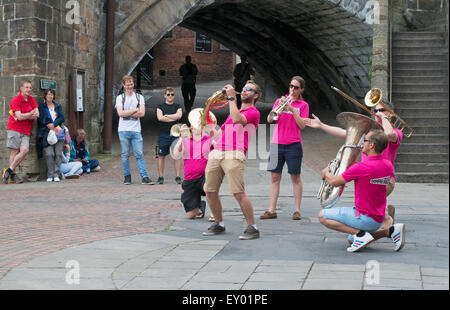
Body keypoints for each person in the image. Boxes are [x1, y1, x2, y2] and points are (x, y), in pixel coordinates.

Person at [305, 100, 403, 240]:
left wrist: (385, 117)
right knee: (357, 229)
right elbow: (344, 133)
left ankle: (385, 221)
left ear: (390, 115)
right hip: (366, 176)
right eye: (375, 111)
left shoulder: (396, 133)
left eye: (381, 110)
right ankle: (382, 225)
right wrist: (321, 125)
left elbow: (388, 134)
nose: (376, 113)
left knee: (368, 210)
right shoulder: (368, 135)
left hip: (383, 180)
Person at [318, 130, 405, 252]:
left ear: (372, 145)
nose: (362, 143)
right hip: (378, 218)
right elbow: (369, 179)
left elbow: (333, 181)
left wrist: (326, 172)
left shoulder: (360, 168)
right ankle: (390, 232)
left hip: (364, 218)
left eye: (365, 140)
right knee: (350, 240)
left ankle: (361, 235)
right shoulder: (388, 165)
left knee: (322, 216)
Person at [202, 80, 261, 240]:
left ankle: (252, 227)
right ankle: (219, 223)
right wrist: (210, 130)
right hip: (218, 151)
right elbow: (222, 133)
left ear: (256, 95)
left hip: (235, 153)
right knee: (209, 190)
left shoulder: (253, 112)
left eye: (249, 89)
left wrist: (231, 98)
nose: (244, 91)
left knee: (238, 192)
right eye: (243, 89)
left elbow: (237, 119)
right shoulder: (233, 110)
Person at [260, 76, 309, 221]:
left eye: (296, 87)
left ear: (301, 90)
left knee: (295, 177)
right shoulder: (279, 101)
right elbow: (270, 120)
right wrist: (278, 108)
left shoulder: (303, 105)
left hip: (293, 144)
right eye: (291, 86)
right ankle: (272, 210)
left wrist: (293, 110)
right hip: (277, 143)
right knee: (275, 177)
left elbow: (302, 125)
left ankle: (297, 210)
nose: (292, 90)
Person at [115, 75, 154, 185]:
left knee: (139, 154)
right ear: (124, 85)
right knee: (125, 154)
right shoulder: (120, 98)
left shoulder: (139, 97)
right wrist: (134, 110)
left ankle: (144, 176)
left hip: (136, 130)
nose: (130, 86)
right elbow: (120, 113)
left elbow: (142, 113)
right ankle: (127, 177)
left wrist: (128, 112)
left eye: (131, 84)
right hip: (123, 130)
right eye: (128, 84)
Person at [172, 123, 216, 219]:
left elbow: (219, 151)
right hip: (190, 178)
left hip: (204, 174)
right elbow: (176, 155)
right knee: (191, 215)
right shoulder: (186, 140)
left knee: (208, 188)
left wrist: (214, 143)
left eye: (199, 126)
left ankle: (214, 213)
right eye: (194, 126)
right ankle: (200, 208)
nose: (196, 129)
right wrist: (181, 138)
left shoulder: (208, 139)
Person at [3, 80, 39, 184]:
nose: (29, 90)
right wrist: (30, 113)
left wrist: (27, 114)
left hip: (26, 130)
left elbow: (37, 114)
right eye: (27, 87)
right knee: (14, 151)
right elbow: (18, 117)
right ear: (21, 88)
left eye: (30, 88)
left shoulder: (31, 99)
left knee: (25, 150)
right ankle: (13, 176)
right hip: (15, 128)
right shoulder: (16, 100)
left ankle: (8, 171)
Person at [36, 89, 65, 182]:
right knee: (49, 154)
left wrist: (54, 124)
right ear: (45, 96)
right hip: (46, 133)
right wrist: (49, 125)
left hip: (58, 131)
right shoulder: (42, 106)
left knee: (58, 154)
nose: (50, 96)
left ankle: (56, 174)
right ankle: (50, 174)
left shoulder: (58, 106)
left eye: (52, 94)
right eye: (48, 94)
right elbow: (40, 119)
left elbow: (62, 117)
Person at [156, 87, 183, 184]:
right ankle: (160, 176)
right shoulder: (160, 106)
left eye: (172, 94)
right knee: (161, 155)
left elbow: (179, 116)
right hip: (164, 134)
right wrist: (173, 117)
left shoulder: (178, 106)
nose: (170, 96)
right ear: (164, 95)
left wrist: (166, 116)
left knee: (177, 155)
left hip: (175, 134)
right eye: (168, 94)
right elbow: (160, 118)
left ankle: (178, 176)